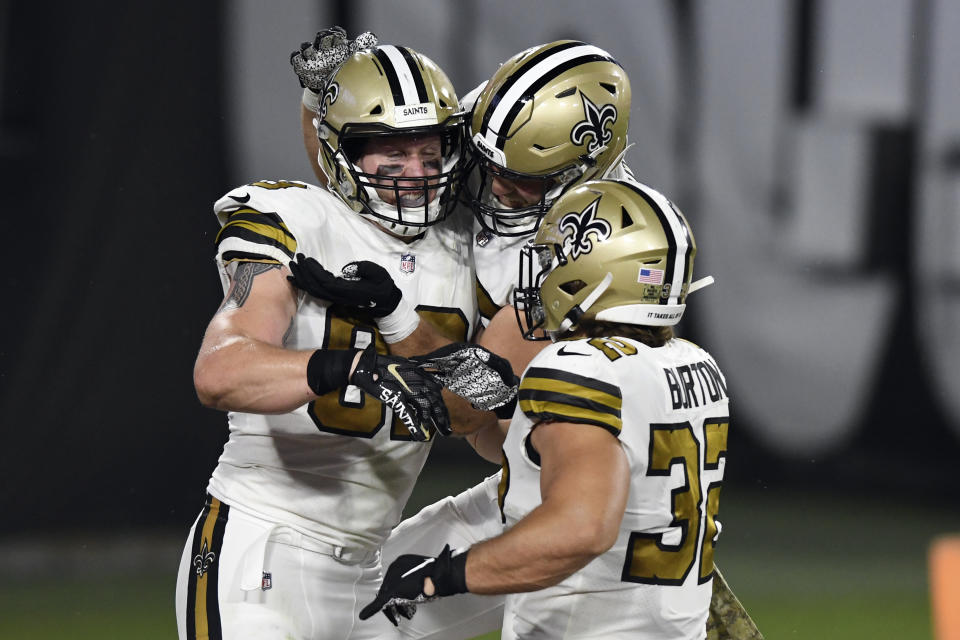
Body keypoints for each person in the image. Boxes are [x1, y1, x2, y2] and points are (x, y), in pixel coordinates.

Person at [176, 43, 507, 640]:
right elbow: (220, 372)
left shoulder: (464, 245)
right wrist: (352, 369)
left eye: (429, 149)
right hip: (262, 546)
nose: (416, 170)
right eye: (392, 150)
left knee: (563, 504)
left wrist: (399, 324)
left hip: (370, 561)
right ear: (341, 152)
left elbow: (486, 415)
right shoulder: (294, 219)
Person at [360, 178, 727, 639]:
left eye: (557, 260)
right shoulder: (693, 365)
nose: (543, 276)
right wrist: (399, 317)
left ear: (600, 271)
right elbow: (517, 436)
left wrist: (445, 576)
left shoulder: (579, 368)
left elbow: (582, 528)